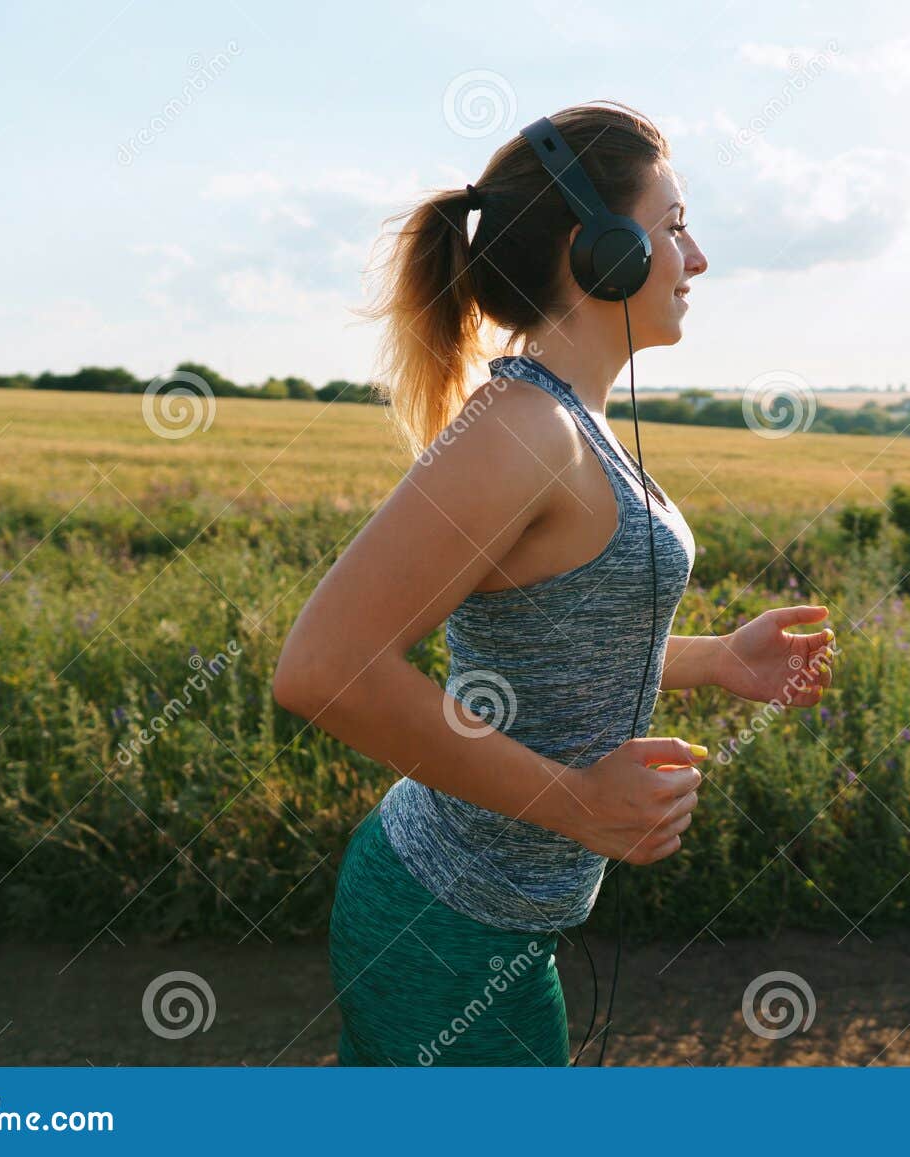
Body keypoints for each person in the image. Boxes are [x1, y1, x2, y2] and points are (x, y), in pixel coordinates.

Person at [273, 100, 836, 1066]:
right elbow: (323, 670)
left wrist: (718, 660)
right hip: (442, 926)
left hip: (490, 926)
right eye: (670, 227)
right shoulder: (520, 430)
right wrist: (580, 804)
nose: (696, 259)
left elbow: (553, 643)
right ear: (600, 250)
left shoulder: (569, 425)